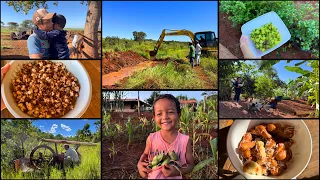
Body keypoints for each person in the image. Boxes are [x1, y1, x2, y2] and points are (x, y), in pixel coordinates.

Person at [137, 94, 195, 179]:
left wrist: (178, 171)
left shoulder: (185, 140)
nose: (165, 117)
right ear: (154, 117)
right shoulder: (151, 138)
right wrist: (139, 164)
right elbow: (145, 154)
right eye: (159, 114)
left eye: (170, 112)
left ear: (179, 115)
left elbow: (191, 165)